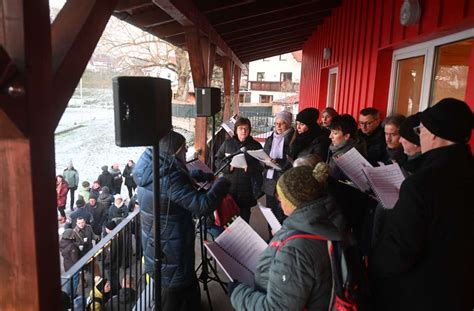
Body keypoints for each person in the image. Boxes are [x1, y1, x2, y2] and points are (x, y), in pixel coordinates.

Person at [371, 98, 474, 311]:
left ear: (434, 133)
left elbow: (399, 252)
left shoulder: (421, 184)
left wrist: (372, 264)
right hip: (462, 291)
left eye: (421, 130)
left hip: (420, 292)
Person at [134, 130, 230, 310]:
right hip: (171, 245)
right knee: (175, 291)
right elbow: (202, 206)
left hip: (159, 241)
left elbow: (178, 176)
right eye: (184, 149)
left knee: (179, 284)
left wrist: (204, 176)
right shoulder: (169, 178)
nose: (187, 152)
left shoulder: (153, 167)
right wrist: (222, 183)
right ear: (175, 152)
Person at [229, 163, 343, 310]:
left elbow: (276, 308)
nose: (278, 200)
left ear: (293, 202)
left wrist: (237, 293)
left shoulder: (294, 250)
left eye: (281, 197)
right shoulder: (328, 218)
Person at [215, 117, 264, 223]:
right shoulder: (227, 143)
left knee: (244, 221)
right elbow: (217, 160)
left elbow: (262, 166)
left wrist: (250, 168)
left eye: (246, 128)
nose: (243, 131)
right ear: (236, 130)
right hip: (229, 189)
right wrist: (229, 167)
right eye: (241, 128)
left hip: (247, 190)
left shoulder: (256, 146)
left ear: (249, 130)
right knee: (228, 221)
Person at [261, 110, 294, 224]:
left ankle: (281, 240)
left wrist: (279, 163)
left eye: (282, 123)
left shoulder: (293, 139)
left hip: (284, 181)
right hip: (270, 181)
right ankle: (271, 239)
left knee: (282, 214)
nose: (278, 126)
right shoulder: (271, 138)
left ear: (289, 124)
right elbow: (264, 155)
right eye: (276, 123)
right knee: (270, 213)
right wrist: (266, 162)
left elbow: (292, 160)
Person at [327, 114, 367, 180]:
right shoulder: (335, 147)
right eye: (331, 132)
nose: (330, 136)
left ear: (346, 136)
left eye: (335, 133)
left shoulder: (351, 155)